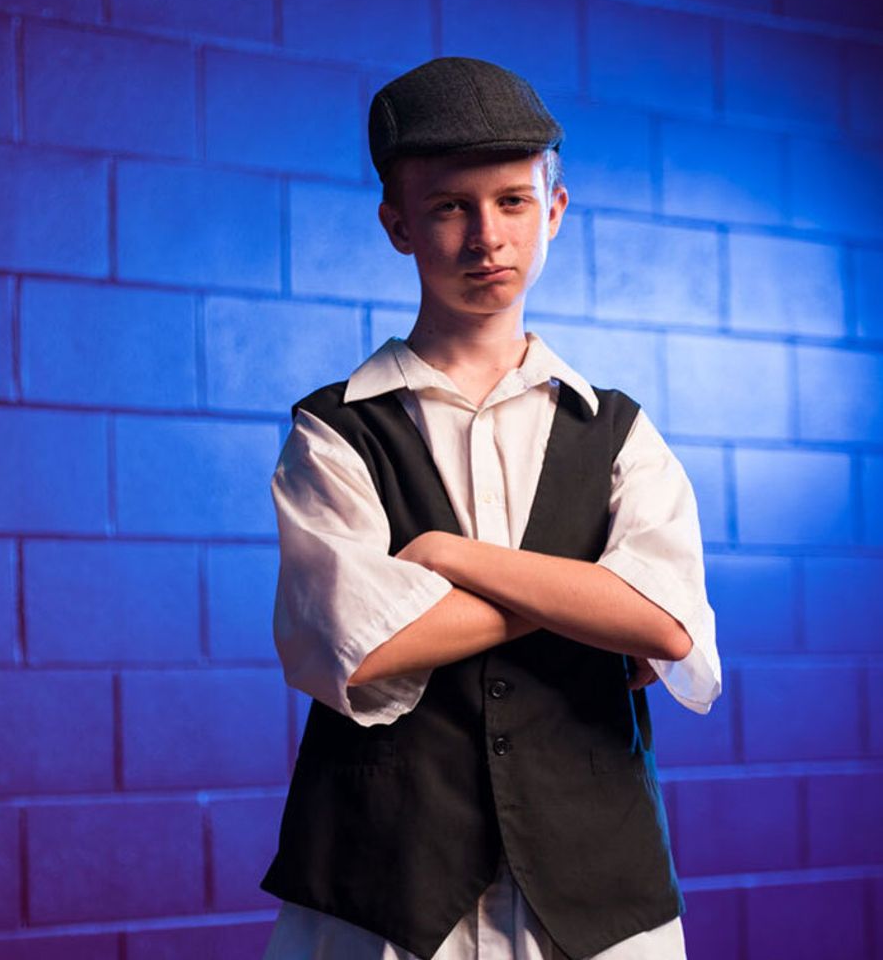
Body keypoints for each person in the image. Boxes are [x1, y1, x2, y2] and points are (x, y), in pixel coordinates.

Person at [258, 57, 722, 960]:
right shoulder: (334, 433)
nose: (486, 237)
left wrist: (454, 556)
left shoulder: (618, 430)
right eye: (448, 207)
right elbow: (362, 646)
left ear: (554, 210)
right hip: (383, 897)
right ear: (398, 223)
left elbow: (666, 626)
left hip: (602, 902)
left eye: (513, 201)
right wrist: (588, 599)